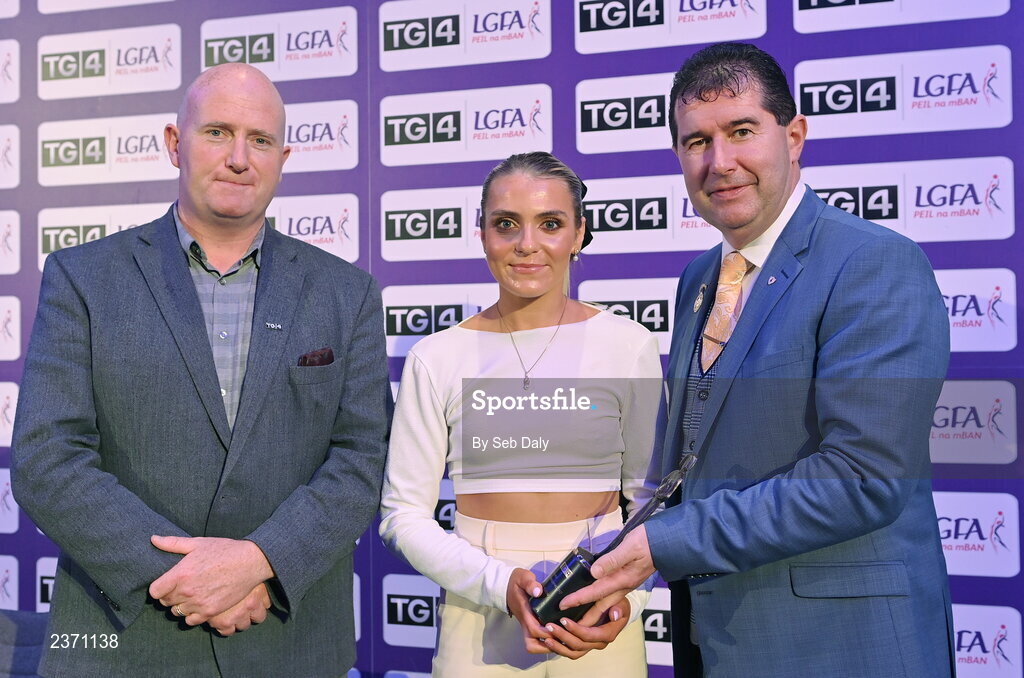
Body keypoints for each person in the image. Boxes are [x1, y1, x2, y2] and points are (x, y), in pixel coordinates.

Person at [561, 43, 955, 677]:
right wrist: (610, 570)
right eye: (696, 142)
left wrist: (661, 545)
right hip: (721, 643)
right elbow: (690, 465)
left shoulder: (874, 263)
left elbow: (862, 477)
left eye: (742, 131)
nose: (720, 162)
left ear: (793, 136)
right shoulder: (697, 279)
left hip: (845, 649)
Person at [12, 63, 389, 678]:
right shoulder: (83, 278)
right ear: (173, 143)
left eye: (260, 140)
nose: (239, 157)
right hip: (125, 641)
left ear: (283, 156)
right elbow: (46, 457)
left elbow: (362, 457)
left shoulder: (345, 294)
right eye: (217, 132)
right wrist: (189, 577)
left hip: (287, 640)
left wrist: (262, 560)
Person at [379, 151, 662, 676]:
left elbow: (649, 500)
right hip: (477, 615)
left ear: (578, 234)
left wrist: (628, 599)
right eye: (506, 224)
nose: (527, 244)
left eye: (550, 224)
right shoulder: (436, 357)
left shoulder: (629, 346)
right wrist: (494, 583)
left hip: (600, 608)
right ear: (481, 233)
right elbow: (403, 516)